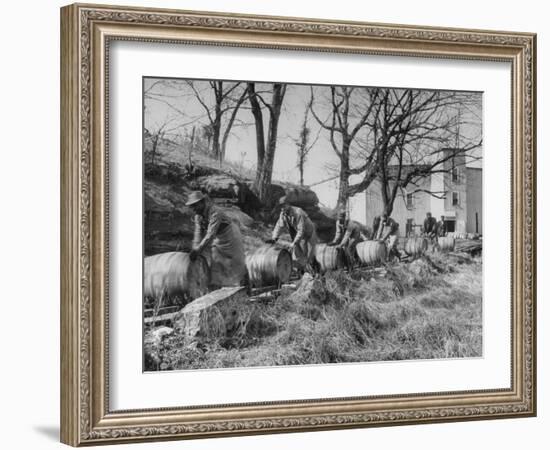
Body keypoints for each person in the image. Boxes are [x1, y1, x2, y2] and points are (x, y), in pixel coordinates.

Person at [186, 191, 246, 289]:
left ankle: (239, 287)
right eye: (192, 206)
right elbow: (198, 233)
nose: (194, 209)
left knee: (234, 262)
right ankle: (220, 287)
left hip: (230, 235)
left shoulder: (215, 211)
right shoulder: (198, 216)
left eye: (195, 205)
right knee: (216, 261)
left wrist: (198, 249)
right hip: (218, 238)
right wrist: (195, 249)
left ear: (202, 202)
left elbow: (210, 234)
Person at [266, 196, 318, 273]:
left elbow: (301, 230)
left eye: (283, 206)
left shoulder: (298, 212)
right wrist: (274, 238)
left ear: (288, 204)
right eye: (281, 207)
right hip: (298, 234)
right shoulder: (283, 214)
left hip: (309, 234)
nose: (282, 208)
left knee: (308, 256)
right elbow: (279, 226)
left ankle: (314, 272)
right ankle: (301, 272)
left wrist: (294, 243)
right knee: (297, 255)